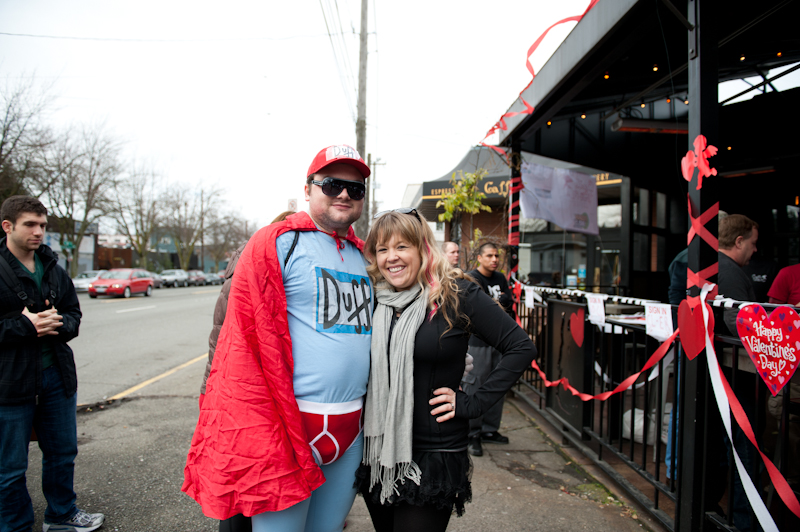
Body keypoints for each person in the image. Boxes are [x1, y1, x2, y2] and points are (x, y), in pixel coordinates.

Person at [183, 145, 373, 532]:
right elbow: (241, 343)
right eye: (332, 184)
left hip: (351, 429)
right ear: (308, 190)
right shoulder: (277, 243)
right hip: (286, 430)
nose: (343, 195)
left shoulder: (367, 256)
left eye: (355, 189)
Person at [356, 209, 535, 531]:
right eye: (382, 249)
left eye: (401, 247)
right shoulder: (374, 298)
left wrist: (474, 403)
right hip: (379, 451)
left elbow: (521, 348)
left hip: (433, 452)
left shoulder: (456, 294)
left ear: (423, 248)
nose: (391, 258)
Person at [0, 196, 104, 532]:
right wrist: (26, 326)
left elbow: (74, 313)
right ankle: (15, 526)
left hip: (56, 376)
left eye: (43, 225)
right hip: (9, 381)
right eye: (30, 224)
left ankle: (62, 514)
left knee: (62, 452)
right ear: (8, 226)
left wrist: (59, 323)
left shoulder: (55, 269)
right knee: (10, 467)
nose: (38, 232)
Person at [201, 210, 294, 532]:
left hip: (242, 388)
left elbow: (217, 336)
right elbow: (225, 335)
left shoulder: (256, 259)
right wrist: (210, 394)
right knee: (246, 480)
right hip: (248, 390)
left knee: (251, 480)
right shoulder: (255, 263)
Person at [462, 242, 516, 457]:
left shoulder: (501, 278)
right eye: (490, 256)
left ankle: (489, 430)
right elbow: (480, 308)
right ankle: (471, 434)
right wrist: (497, 302)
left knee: (498, 385)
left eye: (496, 256)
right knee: (475, 387)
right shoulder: (472, 278)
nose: (494, 259)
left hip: (500, 341)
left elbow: (508, 301)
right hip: (478, 342)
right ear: (480, 258)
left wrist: (495, 302)